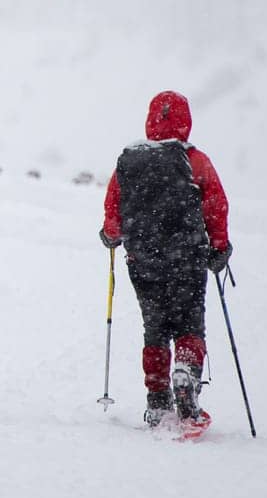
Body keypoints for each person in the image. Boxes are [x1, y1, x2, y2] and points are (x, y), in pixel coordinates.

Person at [99, 90, 232, 427]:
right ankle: (186, 371)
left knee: (155, 328)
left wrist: (111, 234)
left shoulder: (130, 161)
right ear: (185, 121)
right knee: (189, 323)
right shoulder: (194, 160)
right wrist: (219, 247)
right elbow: (215, 203)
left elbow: (114, 204)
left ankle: (158, 400)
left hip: (143, 261)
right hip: (186, 258)